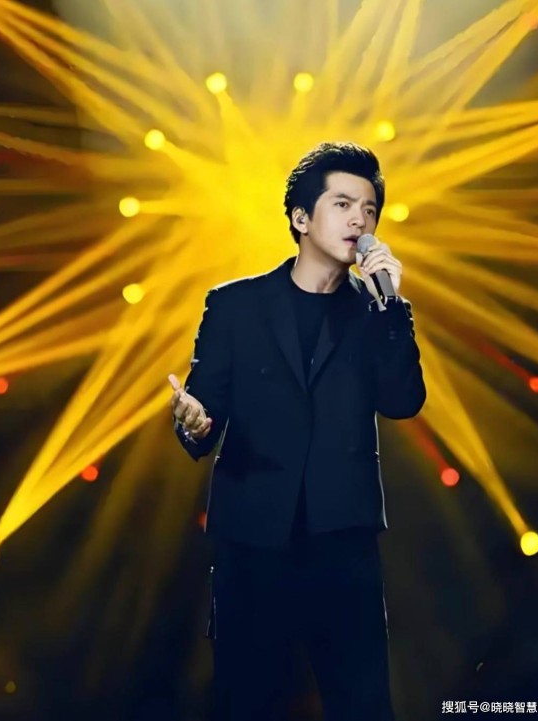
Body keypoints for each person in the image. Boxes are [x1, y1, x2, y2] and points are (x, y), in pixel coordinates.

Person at [169, 142, 426, 721]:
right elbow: (204, 415)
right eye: (343, 204)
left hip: (344, 547)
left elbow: (403, 402)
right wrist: (193, 422)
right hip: (254, 544)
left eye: (369, 209)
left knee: (362, 705)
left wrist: (392, 306)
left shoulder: (375, 312)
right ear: (301, 217)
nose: (360, 220)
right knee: (248, 703)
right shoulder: (235, 305)